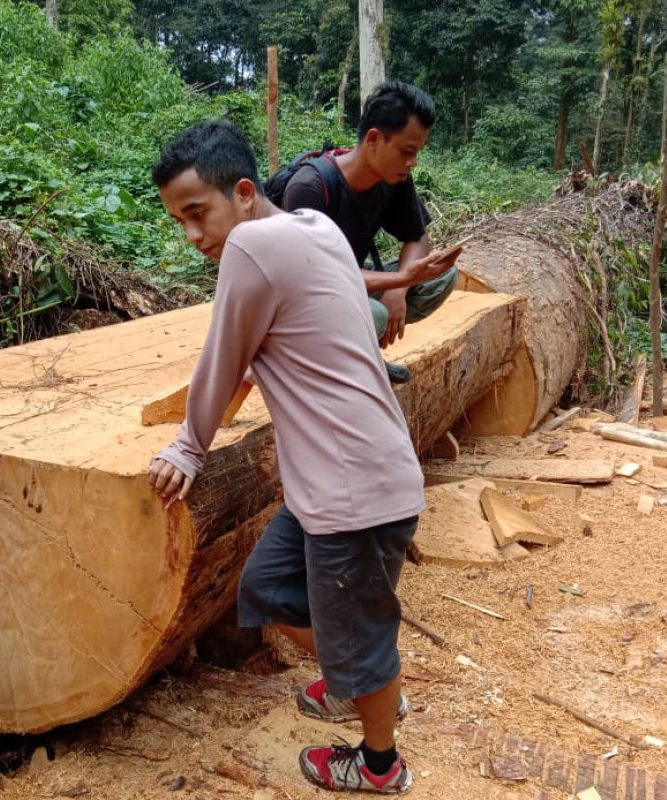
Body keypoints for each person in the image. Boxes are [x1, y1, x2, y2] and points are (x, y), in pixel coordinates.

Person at [147, 118, 426, 794]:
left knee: (355, 631)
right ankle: (363, 676)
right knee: (267, 589)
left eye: (197, 214)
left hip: (352, 490)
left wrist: (189, 444)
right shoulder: (317, 229)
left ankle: (379, 761)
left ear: (244, 192)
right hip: (341, 477)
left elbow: (224, 356)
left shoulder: (253, 247)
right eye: (178, 221)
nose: (192, 236)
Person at [281, 81, 457, 383]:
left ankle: (364, 352)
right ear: (374, 139)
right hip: (303, 302)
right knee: (374, 313)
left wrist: (398, 289)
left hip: (350, 284)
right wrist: (399, 279)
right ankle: (328, 367)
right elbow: (313, 278)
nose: (412, 162)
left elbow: (416, 235)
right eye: (407, 151)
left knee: (441, 278)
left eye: (417, 152)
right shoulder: (310, 187)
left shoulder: (395, 179)